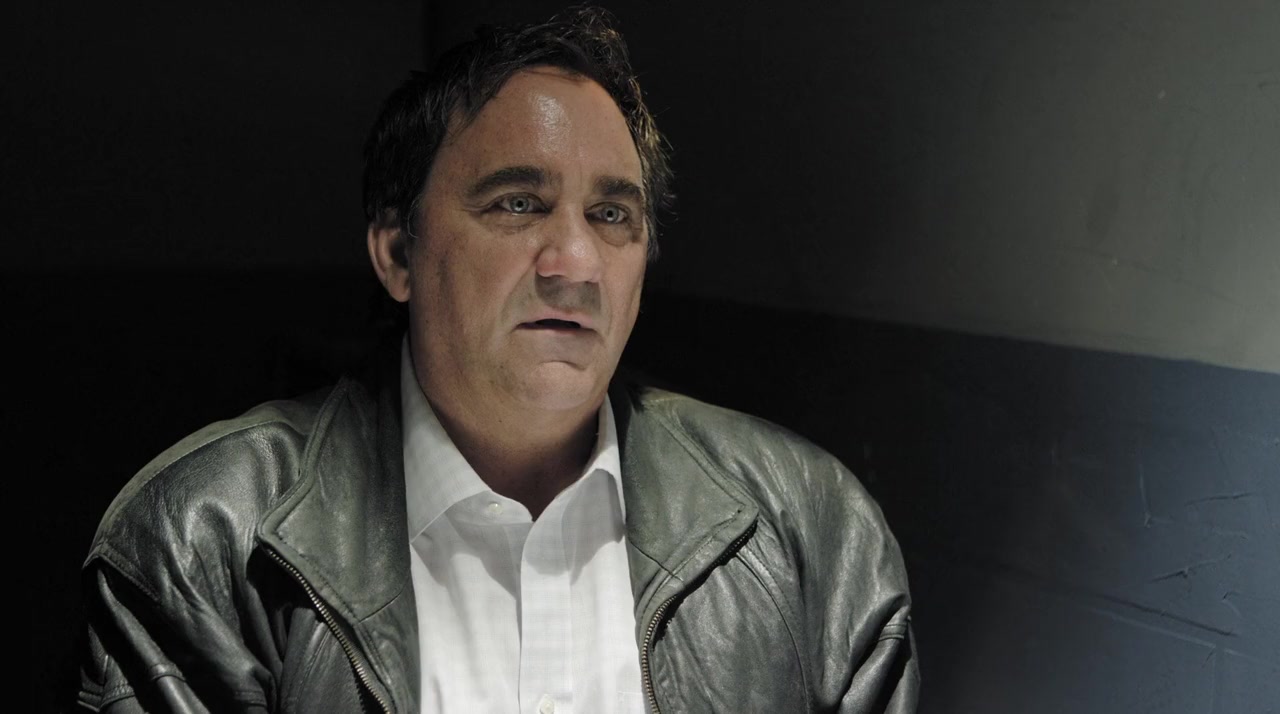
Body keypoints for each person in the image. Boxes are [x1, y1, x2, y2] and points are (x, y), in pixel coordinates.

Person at [76, 7, 918, 713]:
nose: (575, 263)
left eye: (612, 216)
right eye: (518, 203)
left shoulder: (813, 529)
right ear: (397, 252)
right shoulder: (206, 537)